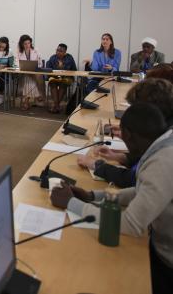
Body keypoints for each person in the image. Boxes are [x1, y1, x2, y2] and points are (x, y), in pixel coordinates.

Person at [51, 102, 173, 294]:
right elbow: (142, 191)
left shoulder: (163, 161)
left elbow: (131, 224)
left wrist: (71, 203)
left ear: (129, 136)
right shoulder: (164, 142)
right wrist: (93, 195)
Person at [77, 78, 173, 188]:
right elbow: (142, 159)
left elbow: (133, 178)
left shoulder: (166, 144)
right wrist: (119, 157)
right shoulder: (164, 128)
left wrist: (96, 165)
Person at [45, 43, 77, 113]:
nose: (58, 52)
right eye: (57, 50)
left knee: (63, 83)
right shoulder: (53, 57)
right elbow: (47, 68)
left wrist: (63, 67)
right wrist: (57, 67)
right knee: (52, 83)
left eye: (60, 51)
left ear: (65, 52)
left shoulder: (69, 58)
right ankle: (57, 106)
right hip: (55, 77)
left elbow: (74, 70)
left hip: (67, 78)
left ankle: (55, 106)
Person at [17, 34, 44, 110]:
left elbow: (40, 63)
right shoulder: (19, 52)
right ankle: (38, 96)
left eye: (29, 43)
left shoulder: (36, 51)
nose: (27, 45)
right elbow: (16, 63)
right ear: (22, 44)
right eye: (25, 44)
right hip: (23, 73)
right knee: (28, 77)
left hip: (34, 72)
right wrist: (21, 66)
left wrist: (35, 66)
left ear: (31, 43)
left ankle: (26, 101)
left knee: (29, 77)